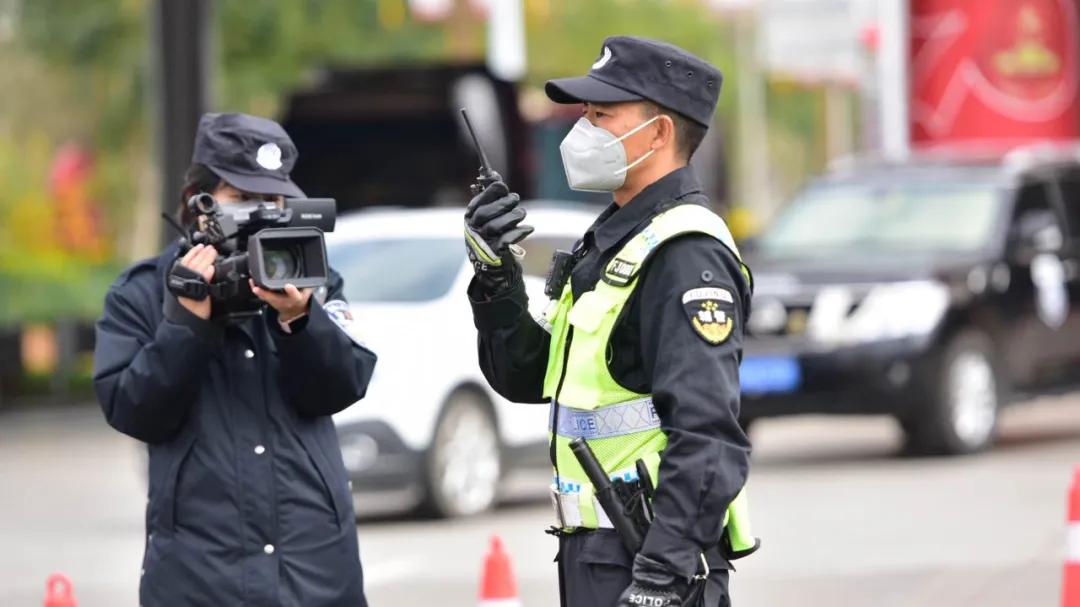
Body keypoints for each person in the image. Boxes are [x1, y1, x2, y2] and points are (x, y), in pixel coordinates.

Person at [464, 37, 758, 607]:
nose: (584, 129)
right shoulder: (610, 238)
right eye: (585, 113)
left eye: (603, 114)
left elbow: (708, 435)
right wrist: (494, 273)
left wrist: (663, 577)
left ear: (659, 133)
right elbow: (527, 377)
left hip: (648, 555)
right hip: (594, 553)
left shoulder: (685, 252)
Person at [93, 112, 377, 607]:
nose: (263, 215)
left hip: (315, 573)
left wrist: (299, 319)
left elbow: (344, 385)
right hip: (200, 579)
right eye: (243, 200)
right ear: (196, 203)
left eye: (274, 201)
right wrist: (186, 324)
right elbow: (133, 411)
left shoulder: (309, 276)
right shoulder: (142, 291)